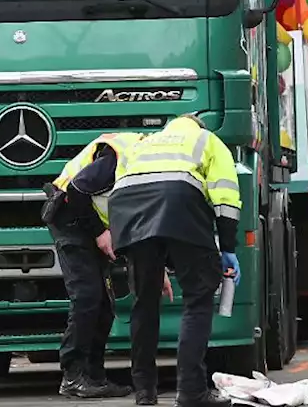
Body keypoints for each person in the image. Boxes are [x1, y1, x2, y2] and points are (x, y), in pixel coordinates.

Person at [109, 114, 241, 407]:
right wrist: (228, 248)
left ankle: (144, 391)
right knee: (197, 298)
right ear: (197, 125)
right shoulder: (208, 140)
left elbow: (118, 186)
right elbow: (226, 196)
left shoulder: (144, 143)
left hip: (129, 211)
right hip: (179, 203)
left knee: (144, 301)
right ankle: (192, 391)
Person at [44, 132, 172, 399]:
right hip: (70, 219)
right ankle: (73, 375)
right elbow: (76, 190)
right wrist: (100, 232)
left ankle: (93, 376)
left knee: (103, 304)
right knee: (87, 297)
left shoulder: (145, 168)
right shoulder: (122, 156)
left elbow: (142, 224)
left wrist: (157, 268)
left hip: (89, 222)